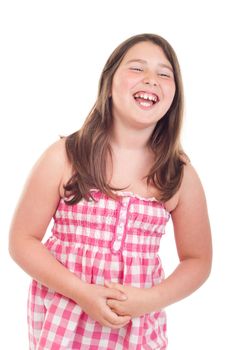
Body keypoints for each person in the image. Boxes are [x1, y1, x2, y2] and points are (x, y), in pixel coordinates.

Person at [9, 33, 212, 349]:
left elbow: (198, 259)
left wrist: (151, 299)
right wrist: (82, 292)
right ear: (108, 83)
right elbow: (22, 240)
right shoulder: (65, 157)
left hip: (137, 330)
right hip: (66, 325)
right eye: (137, 68)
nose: (151, 79)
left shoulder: (178, 173)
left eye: (164, 73)